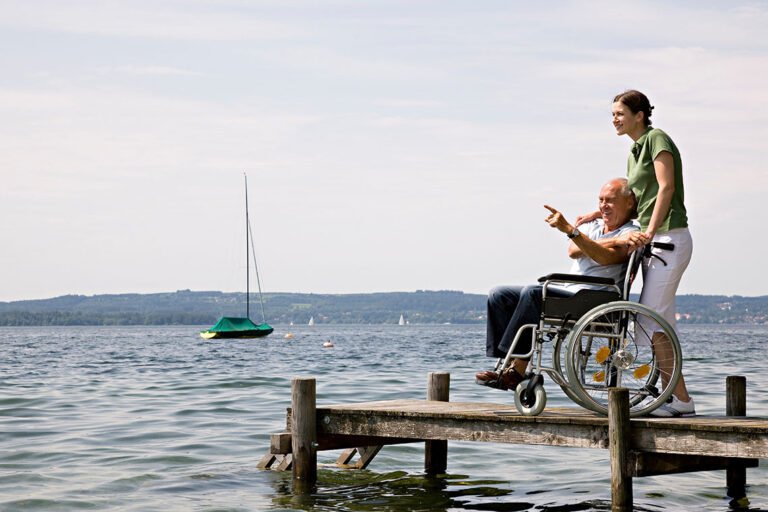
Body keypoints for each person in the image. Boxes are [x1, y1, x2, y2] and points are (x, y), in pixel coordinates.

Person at [577, 90, 694, 417]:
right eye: (612, 114)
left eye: (619, 113)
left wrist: (651, 230)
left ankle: (678, 399)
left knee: (650, 319)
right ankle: (679, 398)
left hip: (670, 238)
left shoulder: (657, 139)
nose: (614, 119)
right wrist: (597, 214)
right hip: (656, 242)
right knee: (659, 321)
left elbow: (666, 187)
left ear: (639, 114)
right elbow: (636, 200)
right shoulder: (634, 151)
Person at [476, 178, 639, 390]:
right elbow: (573, 251)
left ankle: (516, 369)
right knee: (499, 294)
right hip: (570, 291)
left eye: (610, 200)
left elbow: (605, 258)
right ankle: (506, 362)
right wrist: (607, 240)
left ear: (628, 202)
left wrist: (575, 233)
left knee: (534, 293)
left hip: (596, 297)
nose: (603, 205)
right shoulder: (593, 225)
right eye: (600, 200)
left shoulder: (631, 231)